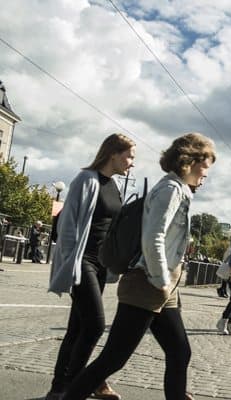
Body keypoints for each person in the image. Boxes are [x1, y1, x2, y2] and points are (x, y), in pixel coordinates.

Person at [62, 132, 215, 400]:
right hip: (147, 284)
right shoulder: (170, 190)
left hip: (162, 288)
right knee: (113, 359)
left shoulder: (179, 190)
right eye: (205, 166)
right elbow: (153, 236)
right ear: (189, 161)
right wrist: (161, 279)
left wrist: (167, 284)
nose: (206, 174)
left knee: (180, 351)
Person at [45, 133, 136, 400]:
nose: (132, 163)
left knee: (77, 328)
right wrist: (70, 264)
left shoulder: (115, 185)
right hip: (82, 261)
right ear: (113, 154)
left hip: (101, 264)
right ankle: (80, 385)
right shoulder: (87, 179)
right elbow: (68, 225)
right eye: (129, 156)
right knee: (95, 325)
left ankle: (59, 388)